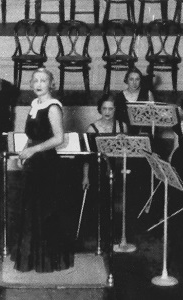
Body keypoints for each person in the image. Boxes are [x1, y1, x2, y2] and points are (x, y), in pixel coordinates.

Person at [13, 68, 74, 272]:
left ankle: (47, 261)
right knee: (30, 210)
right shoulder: (34, 105)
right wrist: (24, 153)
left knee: (45, 212)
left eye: (43, 80)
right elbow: (30, 136)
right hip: (33, 162)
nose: (39, 84)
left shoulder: (53, 107)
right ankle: (31, 260)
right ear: (31, 84)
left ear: (51, 84)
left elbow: (58, 138)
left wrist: (33, 151)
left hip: (47, 164)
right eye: (35, 81)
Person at [82, 94, 127, 190]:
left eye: (111, 109)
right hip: (98, 170)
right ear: (100, 110)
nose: (107, 112)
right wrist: (85, 177)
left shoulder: (122, 126)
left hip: (118, 169)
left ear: (115, 109)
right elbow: (87, 158)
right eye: (104, 108)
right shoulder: (92, 129)